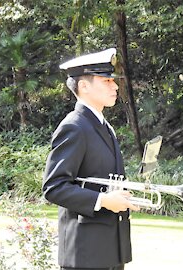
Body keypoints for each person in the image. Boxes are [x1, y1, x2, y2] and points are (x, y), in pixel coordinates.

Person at [42, 48, 140, 270]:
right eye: (106, 81)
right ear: (84, 86)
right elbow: (54, 187)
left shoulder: (103, 126)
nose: (115, 86)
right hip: (85, 254)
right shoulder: (74, 126)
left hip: (109, 251)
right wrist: (104, 201)